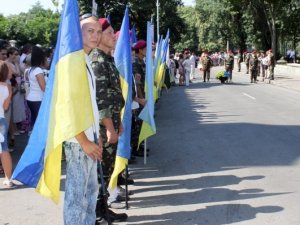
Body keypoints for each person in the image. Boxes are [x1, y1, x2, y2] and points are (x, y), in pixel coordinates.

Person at [63, 15, 103, 225]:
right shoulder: (72, 61)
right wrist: (84, 140)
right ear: (78, 33)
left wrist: (96, 136)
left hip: (89, 137)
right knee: (77, 197)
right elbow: (66, 104)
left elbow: (89, 104)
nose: (96, 36)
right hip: (78, 140)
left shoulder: (85, 59)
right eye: (90, 31)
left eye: (98, 32)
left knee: (90, 193)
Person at [90, 18, 126, 210]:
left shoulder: (107, 59)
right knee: (101, 171)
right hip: (103, 126)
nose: (114, 36)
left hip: (111, 122)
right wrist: (110, 127)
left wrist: (118, 121)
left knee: (107, 168)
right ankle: (98, 211)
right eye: (110, 33)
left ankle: (103, 209)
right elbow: (100, 99)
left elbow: (114, 95)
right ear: (100, 35)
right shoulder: (97, 61)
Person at [26, 46, 47, 131]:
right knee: (40, 123)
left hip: (31, 98)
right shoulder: (38, 70)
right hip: (38, 99)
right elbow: (43, 88)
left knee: (34, 121)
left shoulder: (31, 69)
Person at [0, 61, 14, 187]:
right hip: (1, 119)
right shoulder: (7, 87)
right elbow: (5, 106)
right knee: (4, 149)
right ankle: (8, 178)